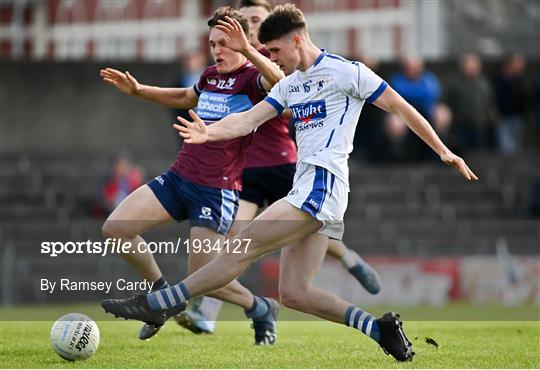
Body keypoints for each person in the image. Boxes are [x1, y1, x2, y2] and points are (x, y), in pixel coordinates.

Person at [102, 4, 478, 362]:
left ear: (298, 40)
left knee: (239, 248)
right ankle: (380, 330)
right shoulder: (289, 85)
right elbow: (247, 121)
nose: (273, 59)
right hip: (307, 189)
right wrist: (210, 132)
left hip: (323, 185)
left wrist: (443, 150)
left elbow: (400, 107)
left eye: (276, 50)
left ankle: (159, 303)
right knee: (295, 294)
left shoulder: (347, 72)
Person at [178, 0, 382, 335]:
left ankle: (349, 259)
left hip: (285, 165)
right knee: (235, 241)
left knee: (304, 228)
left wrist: (250, 50)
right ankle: (210, 314)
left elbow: (279, 84)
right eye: (247, 21)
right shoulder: (236, 60)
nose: (253, 25)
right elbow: (197, 98)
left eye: (258, 19)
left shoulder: (276, 61)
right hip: (248, 169)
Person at [99, 7, 285, 345]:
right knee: (116, 229)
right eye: (213, 43)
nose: (217, 50)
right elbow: (187, 97)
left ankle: (260, 307)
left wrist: (246, 51)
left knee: (204, 278)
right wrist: (139, 89)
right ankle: (160, 295)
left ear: (242, 43)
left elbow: (282, 83)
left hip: (216, 191)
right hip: (179, 178)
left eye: (225, 43)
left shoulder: (252, 78)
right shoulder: (211, 75)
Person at [391, 56, 441, 160]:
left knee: (442, 116)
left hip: (426, 112)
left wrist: (411, 93)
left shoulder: (429, 79)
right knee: (395, 123)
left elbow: (432, 94)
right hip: (402, 114)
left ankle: (437, 155)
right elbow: (396, 95)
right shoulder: (397, 79)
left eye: (414, 67)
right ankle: (398, 158)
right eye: (408, 67)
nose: (411, 70)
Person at [444, 53, 494, 152]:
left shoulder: (483, 82)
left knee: (478, 149)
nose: (469, 68)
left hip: (479, 122)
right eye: (467, 65)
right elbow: (448, 101)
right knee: (462, 148)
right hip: (460, 123)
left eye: (472, 65)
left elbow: (489, 100)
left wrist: (490, 115)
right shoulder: (455, 82)